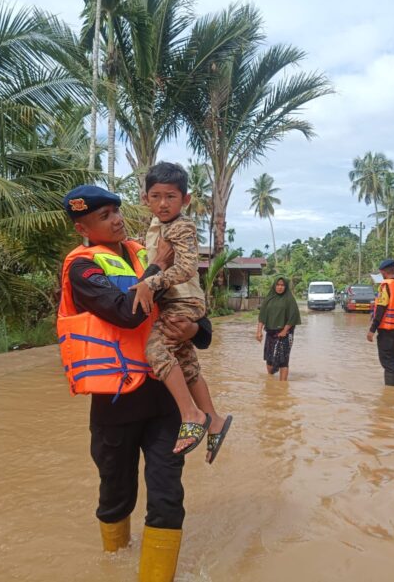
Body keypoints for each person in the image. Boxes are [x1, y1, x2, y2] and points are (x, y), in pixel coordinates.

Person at [57, 184, 211, 581]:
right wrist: (157, 267)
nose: (116, 220)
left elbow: (200, 322)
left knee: (167, 496)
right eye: (104, 216)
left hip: (164, 401)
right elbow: (127, 312)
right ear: (82, 228)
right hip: (116, 405)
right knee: (116, 495)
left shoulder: (146, 250)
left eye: (116, 211)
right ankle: (114, 561)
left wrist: (194, 325)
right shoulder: (83, 267)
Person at [131, 162, 232, 459]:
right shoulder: (154, 229)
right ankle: (214, 420)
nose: (163, 203)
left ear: (185, 200)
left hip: (183, 301)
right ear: (145, 198)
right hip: (173, 301)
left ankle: (191, 415)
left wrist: (151, 282)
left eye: (171, 196)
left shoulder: (182, 226)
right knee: (186, 364)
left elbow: (188, 267)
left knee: (156, 352)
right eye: (156, 196)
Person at [366, 259, 394, 386]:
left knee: (386, 361)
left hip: (386, 329)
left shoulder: (386, 286)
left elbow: (381, 309)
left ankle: (390, 393)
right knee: (392, 359)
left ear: (383, 271)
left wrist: (371, 330)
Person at [256, 277, 302, 381]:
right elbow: (262, 315)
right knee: (269, 360)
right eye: (278, 285)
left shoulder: (289, 299)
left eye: (282, 285)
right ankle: (271, 381)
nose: (280, 287)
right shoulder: (269, 298)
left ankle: (282, 386)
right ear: (274, 286)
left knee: (283, 361)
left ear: (285, 287)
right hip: (270, 333)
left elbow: (293, 316)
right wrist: (259, 331)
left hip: (285, 334)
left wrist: (285, 331)